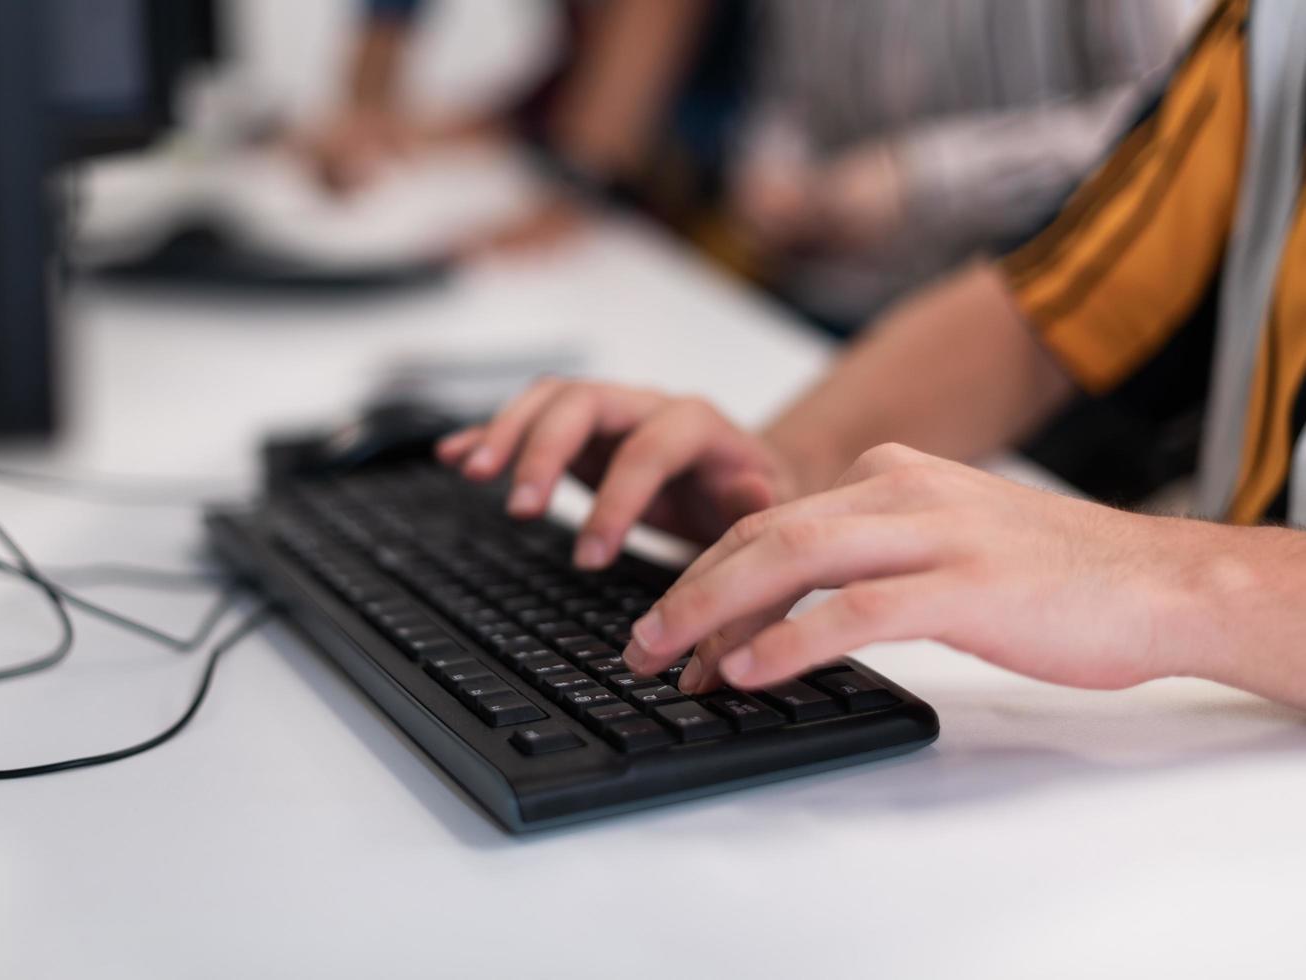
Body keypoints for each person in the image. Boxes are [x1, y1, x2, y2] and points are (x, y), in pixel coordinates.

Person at [436, 0, 1306, 709]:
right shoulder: (1270, 26)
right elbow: (1063, 298)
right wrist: (785, 471)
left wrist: (1167, 578)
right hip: (1234, 746)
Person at [731, 0, 1198, 332]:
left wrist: (923, 177)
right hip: (818, 293)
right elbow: (790, 91)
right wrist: (771, 165)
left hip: (1013, 331)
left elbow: (1162, 119)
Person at [298, 0, 739, 255]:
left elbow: (655, 14)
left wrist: (579, 181)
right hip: (594, 122)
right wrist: (365, 117)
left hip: (707, 177)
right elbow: (389, 16)